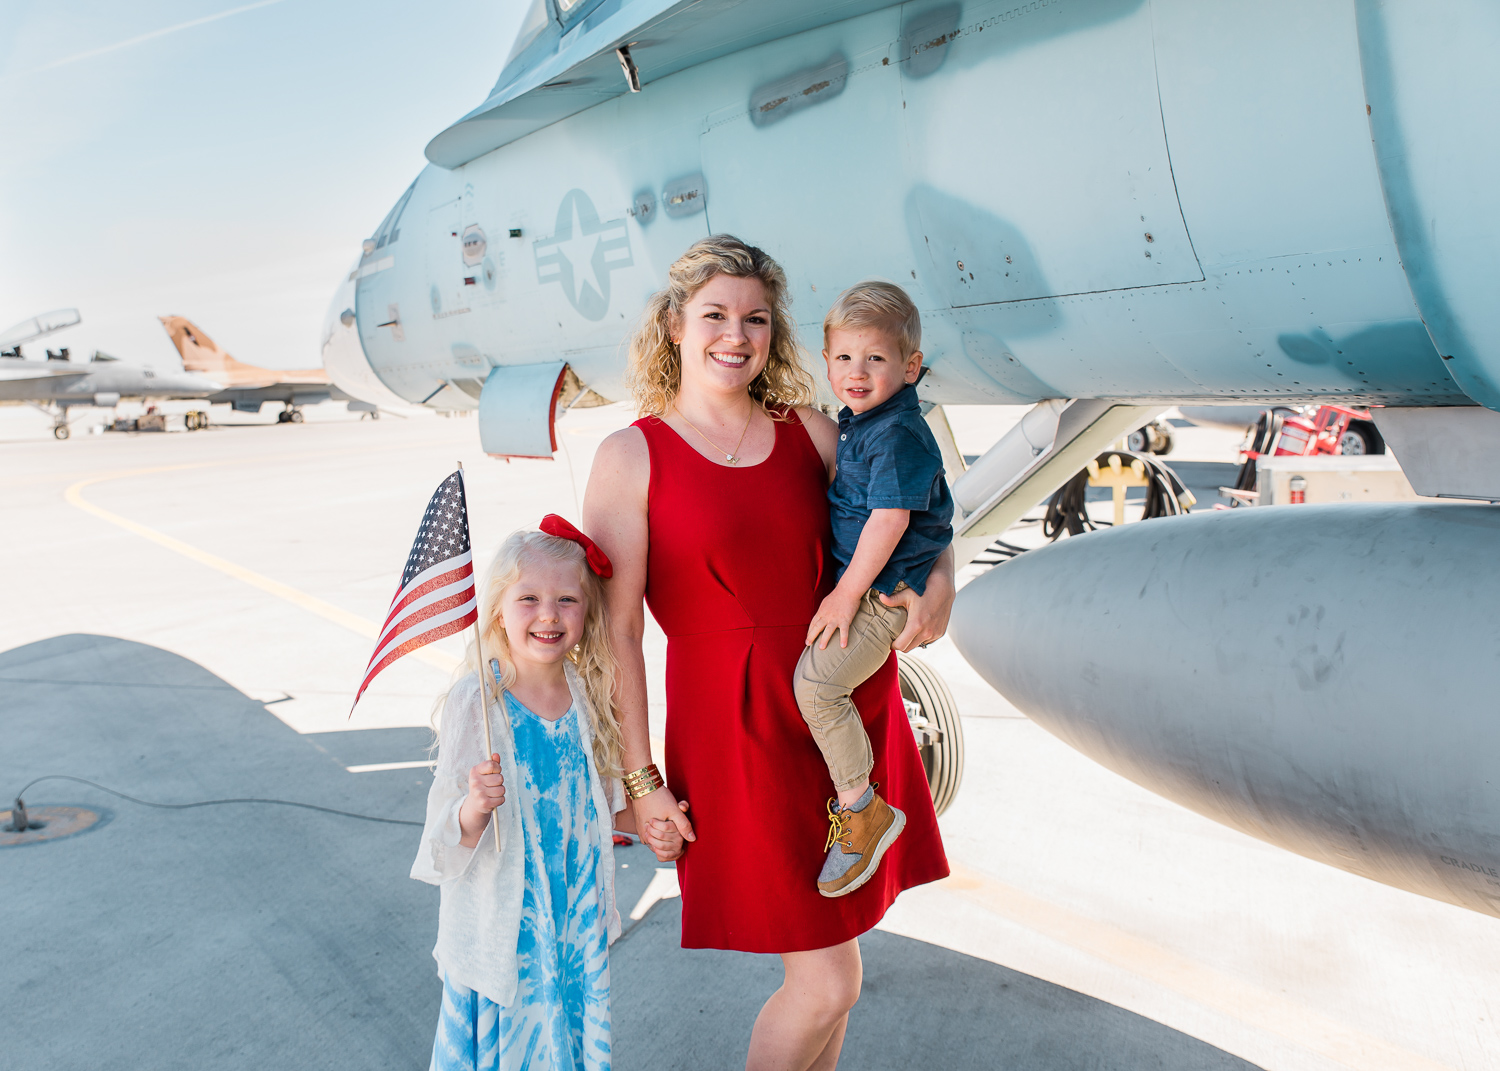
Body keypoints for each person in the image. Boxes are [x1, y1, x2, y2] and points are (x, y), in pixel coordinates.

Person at [583, 235, 951, 1071]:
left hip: (838, 712)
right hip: (736, 728)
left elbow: (920, 499)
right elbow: (621, 637)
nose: (735, 334)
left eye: (755, 317)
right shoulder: (630, 455)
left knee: (840, 966)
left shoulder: (814, 430)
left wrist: (944, 583)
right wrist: (643, 783)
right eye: (714, 314)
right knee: (824, 983)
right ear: (675, 324)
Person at [412, 517, 632, 1071]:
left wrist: (653, 816)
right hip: (509, 934)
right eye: (529, 598)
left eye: (567, 600)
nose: (549, 615)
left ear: (588, 612)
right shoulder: (478, 703)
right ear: (498, 610)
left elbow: (602, 807)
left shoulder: (588, 696)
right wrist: (474, 806)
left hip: (571, 930)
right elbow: (443, 841)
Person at [795, 281, 954, 898]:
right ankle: (860, 803)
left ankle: (864, 808)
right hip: (869, 585)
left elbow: (891, 518)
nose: (855, 373)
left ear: (910, 367)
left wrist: (842, 596)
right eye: (842, 358)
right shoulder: (864, 419)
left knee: (816, 687)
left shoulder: (895, 433)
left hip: (883, 594)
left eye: (875, 359)